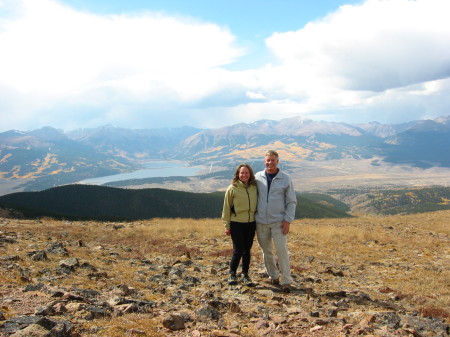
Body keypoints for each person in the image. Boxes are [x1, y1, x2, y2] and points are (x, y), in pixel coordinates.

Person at [255, 150, 297, 293]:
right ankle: (273, 275)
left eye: (273, 160)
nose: (270, 163)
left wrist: (288, 220)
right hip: (261, 222)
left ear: (277, 161)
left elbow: (291, 201)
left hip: (279, 222)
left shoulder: (285, 178)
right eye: (268, 160)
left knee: (281, 250)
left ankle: (286, 280)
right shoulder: (257, 177)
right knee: (266, 251)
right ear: (264, 161)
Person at [222, 164, 258, 286]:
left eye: (246, 173)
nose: (244, 175)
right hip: (236, 223)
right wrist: (226, 225)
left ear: (250, 174)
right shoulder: (232, 188)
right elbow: (226, 208)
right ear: (238, 174)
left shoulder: (254, 187)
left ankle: (245, 274)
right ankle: (232, 273)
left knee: (247, 250)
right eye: (242, 173)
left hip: (251, 223)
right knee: (238, 250)